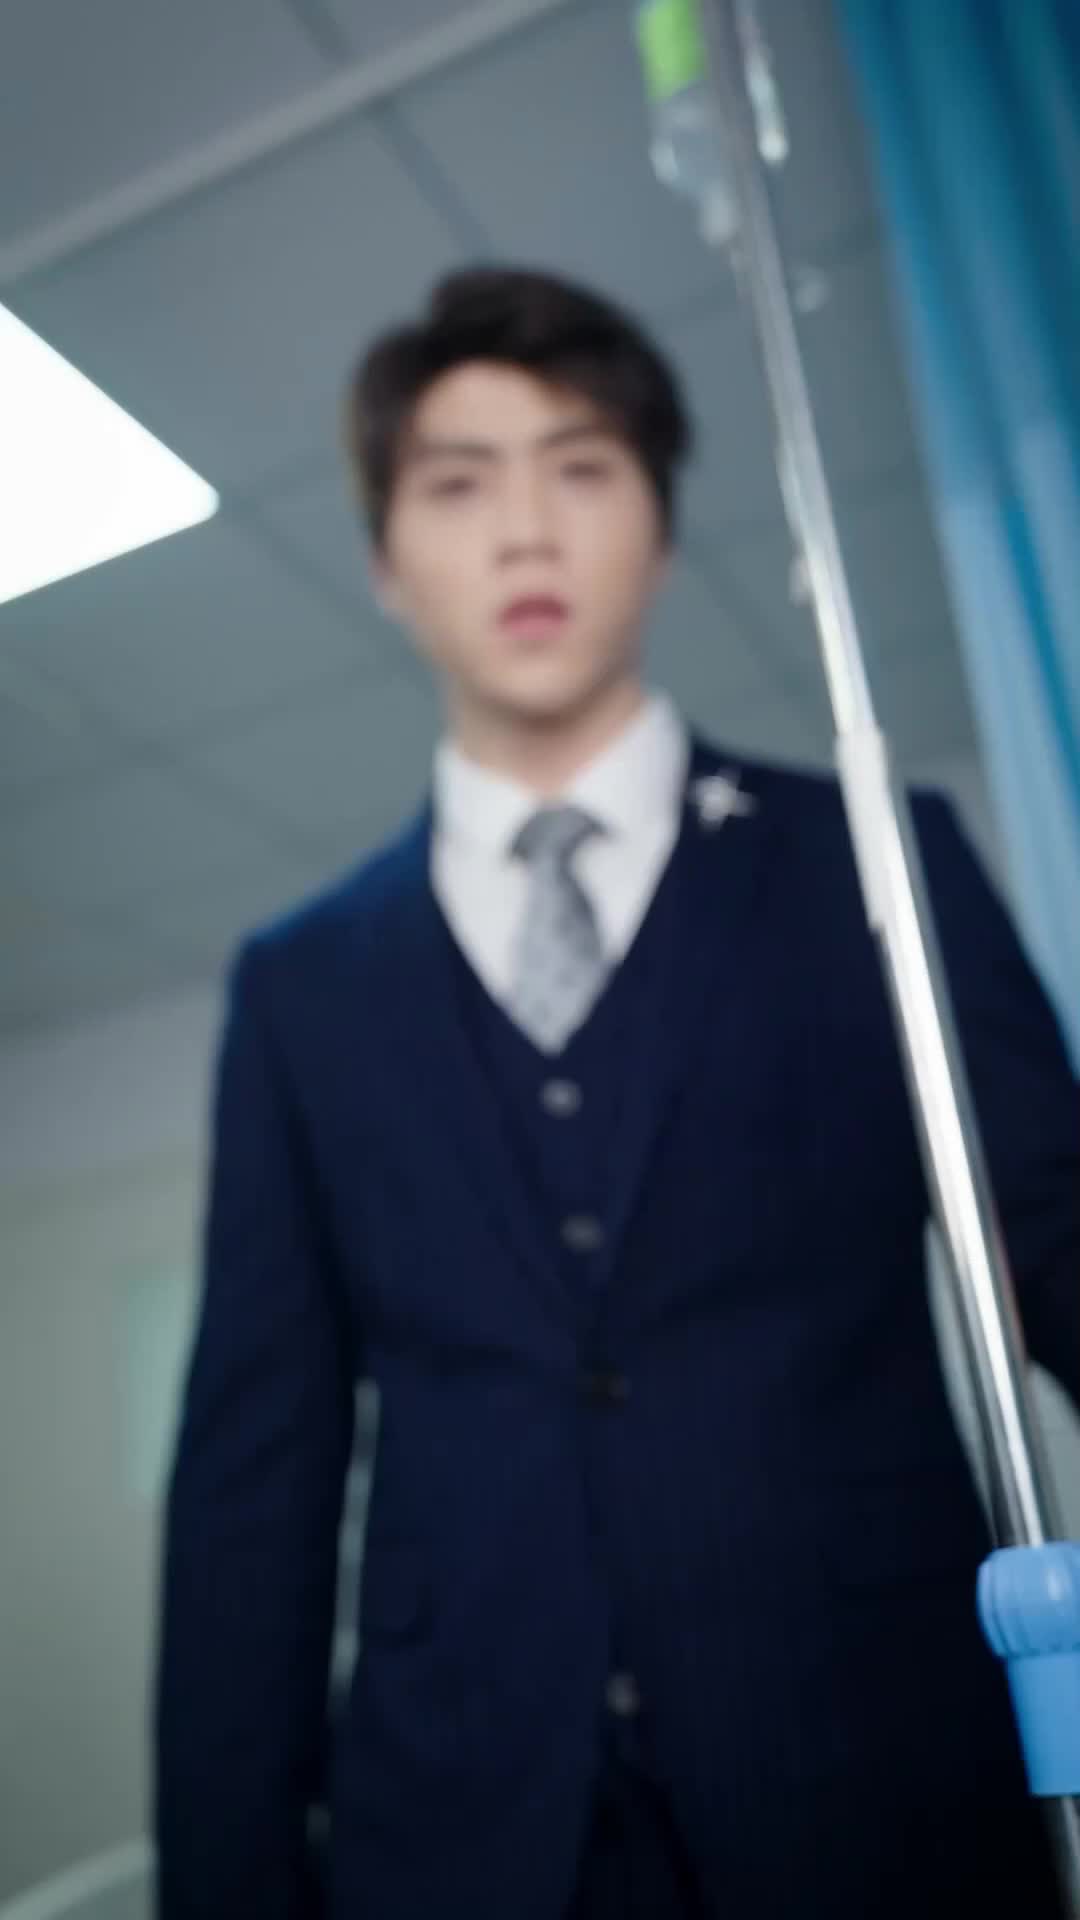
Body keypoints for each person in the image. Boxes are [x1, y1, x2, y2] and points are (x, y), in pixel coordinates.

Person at [154, 266, 1080, 1920]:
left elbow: (1063, 1247)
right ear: (386, 563)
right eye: (458, 484)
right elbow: (256, 1472)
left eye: (580, 468)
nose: (526, 530)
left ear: (657, 523)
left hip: (881, 1782)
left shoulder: (875, 861)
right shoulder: (300, 984)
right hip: (456, 1823)